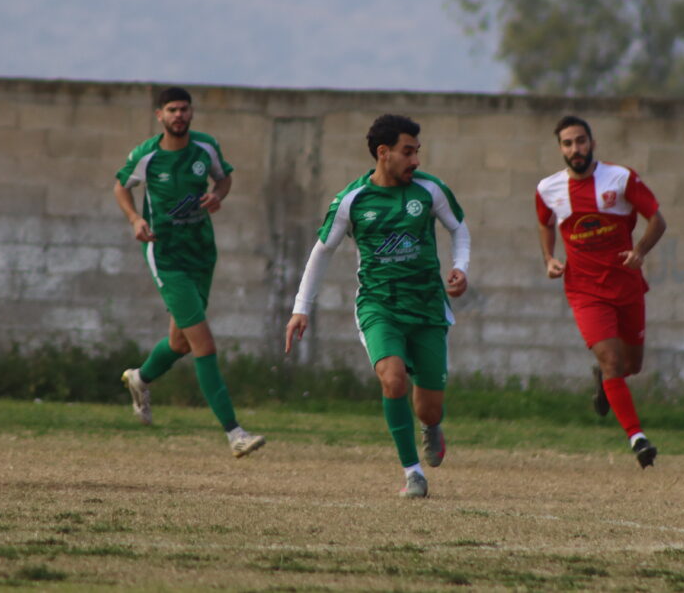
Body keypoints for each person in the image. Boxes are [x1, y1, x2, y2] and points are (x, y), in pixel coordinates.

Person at [285, 114, 470, 499]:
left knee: (429, 408)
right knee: (393, 379)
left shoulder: (430, 190)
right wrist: (301, 307)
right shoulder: (352, 200)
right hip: (379, 306)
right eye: (408, 152)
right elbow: (322, 252)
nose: (416, 160)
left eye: (417, 151)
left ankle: (431, 426)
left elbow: (458, 228)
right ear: (383, 153)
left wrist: (460, 267)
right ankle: (413, 473)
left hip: (427, 308)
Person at [113, 87, 264, 458]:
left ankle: (140, 378)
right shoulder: (146, 155)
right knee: (203, 345)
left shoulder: (205, 148)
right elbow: (121, 186)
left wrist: (218, 195)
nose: (178, 115)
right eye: (171, 110)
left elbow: (223, 178)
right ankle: (235, 433)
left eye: (183, 109)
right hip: (166, 256)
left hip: (201, 252)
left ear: (191, 113)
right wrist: (135, 219)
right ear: (159, 116)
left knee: (180, 343)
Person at [535, 116, 666, 468]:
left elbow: (657, 220)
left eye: (580, 141)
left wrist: (639, 251)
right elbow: (545, 223)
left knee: (630, 365)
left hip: (626, 285)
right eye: (567, 143)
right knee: (612, 361)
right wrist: (549, 258)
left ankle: (603, 380)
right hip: (584, 290)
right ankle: (638, 439)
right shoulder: (548, 188)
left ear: (592, 143)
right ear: (560, 149)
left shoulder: (620, 178)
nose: (575, 149)